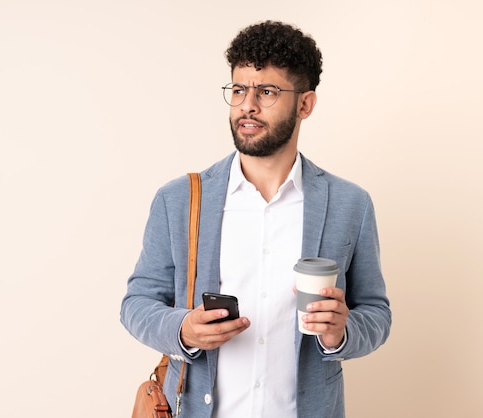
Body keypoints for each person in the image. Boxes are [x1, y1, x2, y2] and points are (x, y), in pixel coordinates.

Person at [121, 20, 391, 418]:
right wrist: (184, 330)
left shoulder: (350, 204)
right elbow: (137, 303)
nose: (247, 104)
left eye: (266, 91)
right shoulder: (179, 199)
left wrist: (341, 333)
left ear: (305, 104)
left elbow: (376, 312)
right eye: (238, 89)